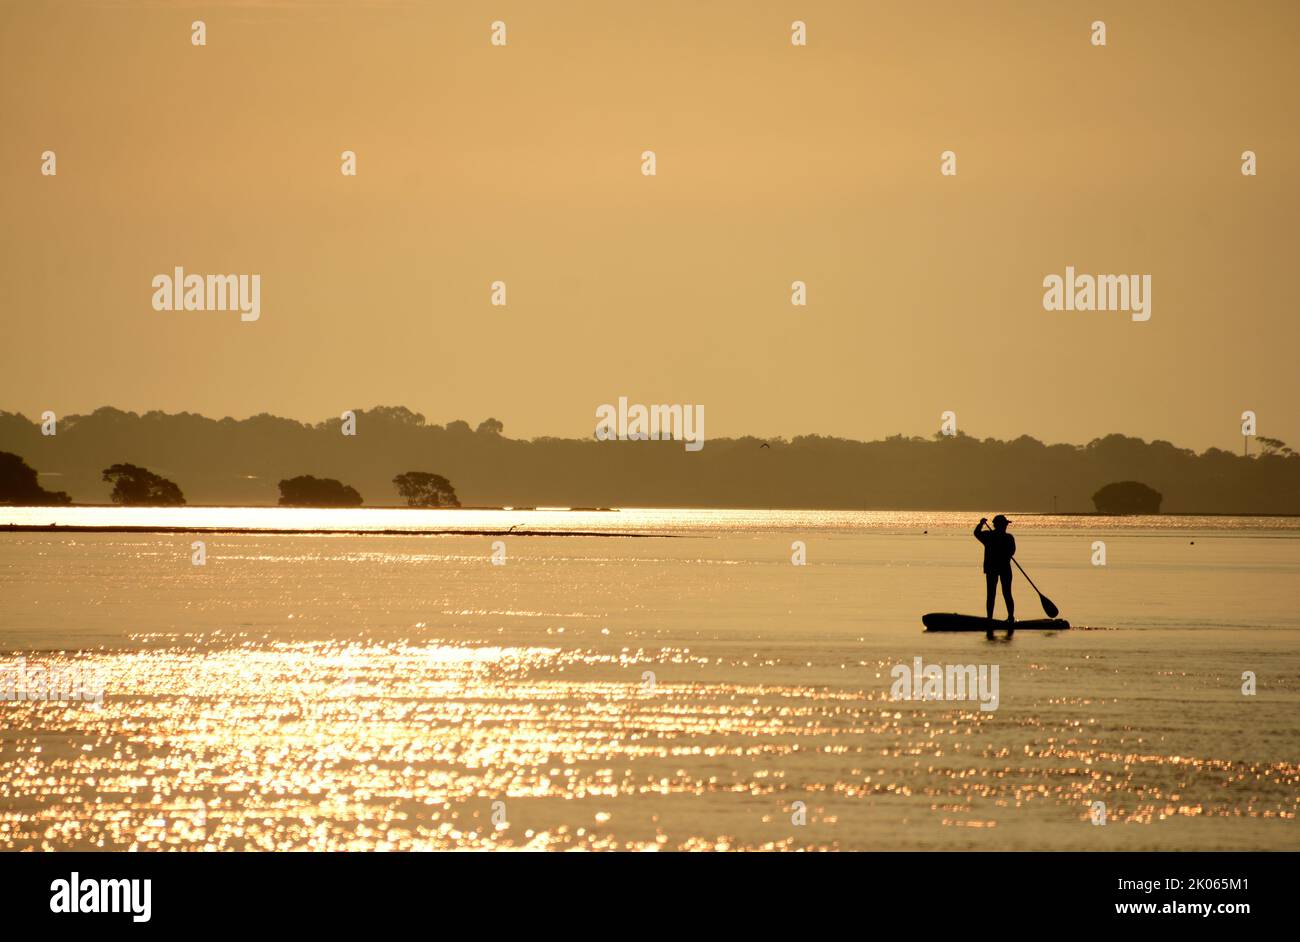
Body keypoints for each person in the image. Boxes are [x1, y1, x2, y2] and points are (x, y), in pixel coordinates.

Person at [974, 515, 1015, 639]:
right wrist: (981, 524)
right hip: (993, 569)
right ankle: (990, 618)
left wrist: (1002, 547)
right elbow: (976, 533)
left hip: (1003, 569)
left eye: (1006, 524)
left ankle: (1010, 617)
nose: (1006, 526)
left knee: (1006, 593)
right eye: (1004, 524)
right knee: (991, 594)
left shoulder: (1006, 538)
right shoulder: (990, 536)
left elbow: (1012, 552)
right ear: (999, 525)